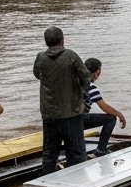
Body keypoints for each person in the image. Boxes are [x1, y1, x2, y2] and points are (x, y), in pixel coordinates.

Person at [33, 26, 92, 174]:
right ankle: (77, 181)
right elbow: (86, 76)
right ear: (62, 40)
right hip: (71, 112)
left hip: (49, 113)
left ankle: (46, 181)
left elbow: (37, 74)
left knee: (49, 151)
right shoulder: (70, 55)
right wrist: (83, 94)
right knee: (76, 151)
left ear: (46, 42)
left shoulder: (41, 57)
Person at [83, 57, 127, 157]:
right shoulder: (90, 86)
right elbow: (103, 106)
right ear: (96, 72)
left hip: (69, 119)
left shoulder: (75, 82)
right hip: (80, 119)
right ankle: (101, 149)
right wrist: (120, 115)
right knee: (111, 118)